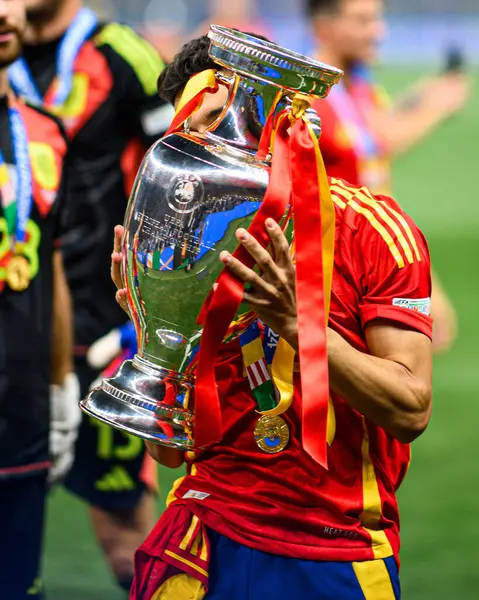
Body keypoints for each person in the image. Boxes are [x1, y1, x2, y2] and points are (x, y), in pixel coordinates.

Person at [111, 35, 433, 599]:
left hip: (331, 545)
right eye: (190, 132)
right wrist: (154, 332)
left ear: (279, 124)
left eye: (218, 127)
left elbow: (411, 407)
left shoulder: (373, 230)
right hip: (203, 529)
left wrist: (297, 324)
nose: (203, 155)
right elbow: (168, 453)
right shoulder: (180, 235)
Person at [8, 0, 173, 590]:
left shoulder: (121, 52)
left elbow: (181, 174)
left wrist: (148, 313)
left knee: (126, 536)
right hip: (14, 327)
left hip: (102, 332)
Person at [307, 0, 469, 354]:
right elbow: (376, 149)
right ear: (325, 27)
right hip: (331, 285)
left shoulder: (362, 88)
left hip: (375, 267)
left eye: (377, 19)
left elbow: (374, 165)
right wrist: (433, 108)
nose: (379, 31)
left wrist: (425, 278)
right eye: (363, 21)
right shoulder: (306, 101)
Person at [0, 0, 75, 597]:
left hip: (23, 409)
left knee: (21, 585)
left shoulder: (44, 129)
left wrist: (60, 386)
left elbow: (50, 260)